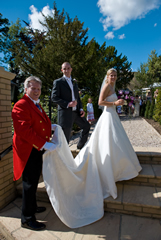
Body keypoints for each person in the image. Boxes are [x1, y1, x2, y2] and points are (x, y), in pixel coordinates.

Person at [42, 68, 142, 229]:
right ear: (107, 76)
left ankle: (119, 168)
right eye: (111, 75)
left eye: (115, 75)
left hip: (113, 117)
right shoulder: (106, 86)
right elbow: (100, 103)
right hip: (107, 116)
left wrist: (119, 102)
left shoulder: (113, 86)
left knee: (116, 141)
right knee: (108, 142)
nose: (113, 77)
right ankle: (108, 168)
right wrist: (115, 103)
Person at [12, 76, 57, 231]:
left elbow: (40, 123)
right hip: (28, 150)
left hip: (36, 148)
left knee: (34, 180)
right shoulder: (21, 104)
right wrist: (44, 144)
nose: (37, 91)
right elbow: (24, 130)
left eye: (38, 88)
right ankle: (27, 219)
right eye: (33, 88)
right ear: (26, 89)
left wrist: (52, 126)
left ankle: (33, 206)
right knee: (29, 184)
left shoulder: (34, 104)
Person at [51, 62, 90, 149]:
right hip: (65, 113)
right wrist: (68, 104)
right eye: (64, 69)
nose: (66, 70)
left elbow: (77, 97)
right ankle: (63, 159)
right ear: (62, 70)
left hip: (76, 113)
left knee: (86, 126)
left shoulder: (74, 82)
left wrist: (80, 108)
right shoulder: (58, 82)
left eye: (68, 68)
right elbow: (54, 97)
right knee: (65, 140)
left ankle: (80, 147)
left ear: (71, 69)